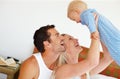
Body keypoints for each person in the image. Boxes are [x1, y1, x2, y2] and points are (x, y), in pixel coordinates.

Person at [67, 0, 120, 65]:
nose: (76, 22)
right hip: (114, 35)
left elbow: (90, 21)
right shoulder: (92, 14)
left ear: (76, 12)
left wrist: (93, 31)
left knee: (116, 51)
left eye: (74, 19)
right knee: (114, 50)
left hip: (112, 37)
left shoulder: (85, 14)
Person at [51, 34, 116, 79]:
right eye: (70, 39)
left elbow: (108, 58)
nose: (76, 39)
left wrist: (101, 31)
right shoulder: (62, 71)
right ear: (63, 47)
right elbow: (92, 62)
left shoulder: (84, 71)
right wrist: (95, 33)